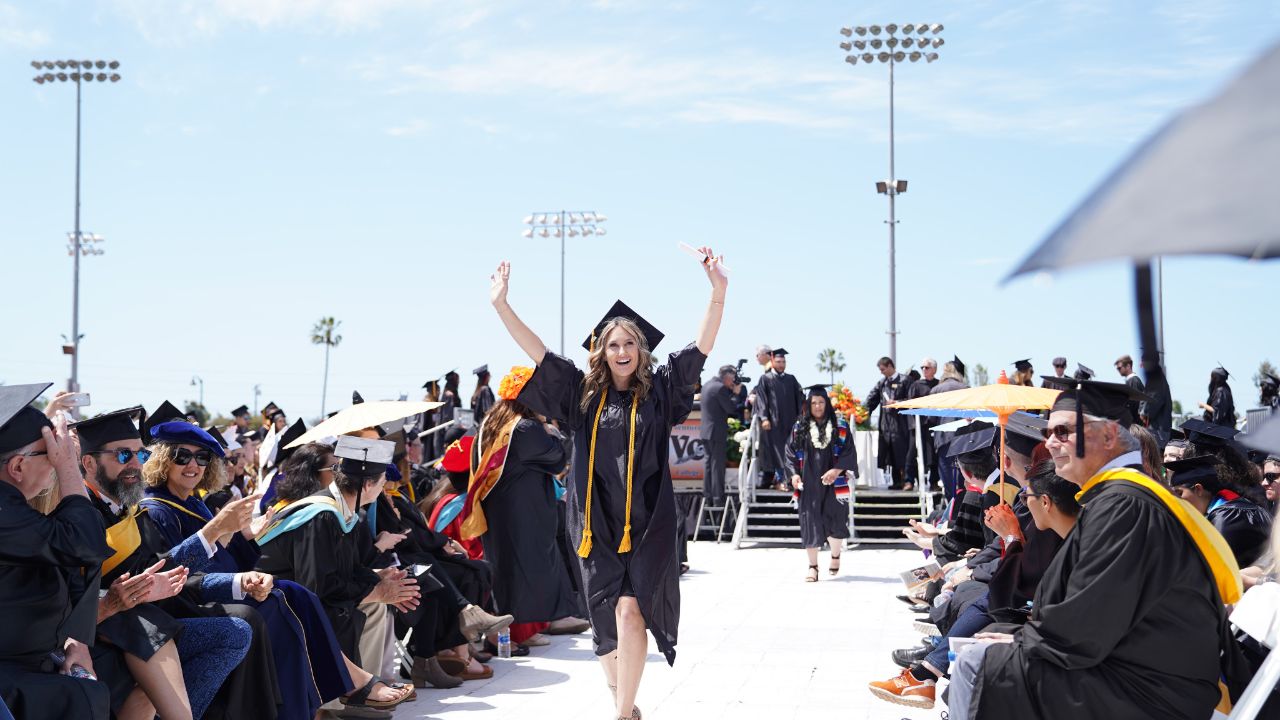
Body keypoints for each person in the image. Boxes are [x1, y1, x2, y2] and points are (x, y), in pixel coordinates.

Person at [490, 246, 724, 720]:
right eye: (613, 344)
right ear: (602, 350)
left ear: (641, 351)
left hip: (646, 522)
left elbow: (702, 346)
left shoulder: (661, 390)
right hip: (594, 523)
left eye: (629, 345)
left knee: (630, 612)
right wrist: (501, 305)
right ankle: (626, 702)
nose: (622, 352)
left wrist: (717, 289)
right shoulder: (581, 393)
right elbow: (538, 351)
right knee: (604, 627)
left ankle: (621, 715)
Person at [947, 379, 1240, 720]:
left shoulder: (1125, 505)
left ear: (1108, 437)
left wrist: (1021, 643)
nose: (1051, 442)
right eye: (1049, 433)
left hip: (1150, 692)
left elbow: (1085, 626)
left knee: (978, 664)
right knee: (989, 643)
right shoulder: (1119, 497)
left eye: (1063, 431)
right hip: (1139, 671)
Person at [74, 407, 250, 720]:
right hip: (97, 626)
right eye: (123, 454)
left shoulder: (128, 510)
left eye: (140, 456)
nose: (134, 465)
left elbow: (154, 569)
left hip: (140, 620)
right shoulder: (76, 516)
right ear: (89, 462)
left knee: (236, 631)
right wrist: (212, 533)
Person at [0, 384, 117, 720]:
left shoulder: (14, 507)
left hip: (37, 657)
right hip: (10, 672)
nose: (55, 463)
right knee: (81, 696)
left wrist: (76, 640)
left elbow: (66, 566)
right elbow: (83, 543)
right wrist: (68, 466)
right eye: (48, 455)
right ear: (18, 467)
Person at [460, 366, 574, 648]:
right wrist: (553, 432)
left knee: (510, 570)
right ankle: (515, 633)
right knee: (524, 572)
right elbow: (559, 459)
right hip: (523, 513)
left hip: (503, 510)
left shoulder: (494, 423)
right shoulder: (525, 428)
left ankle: (518, 631)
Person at [785, 384, 857, 582]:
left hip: (834, 483)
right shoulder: (800, 427)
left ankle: (835, 555)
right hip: (809, 483)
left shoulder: (840, 426)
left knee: (836, 521)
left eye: (821, 402)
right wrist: (794, 475)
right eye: (814, 402)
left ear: (827, 404)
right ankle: (813, 567)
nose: (817, 406)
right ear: (809, 404)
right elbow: (790, 454)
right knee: (810, 523)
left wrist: (836, 470)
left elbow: (849, 452)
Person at [1166, 454, 1271, 567]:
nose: (1175, 499)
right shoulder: (1230, 508)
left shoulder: (1230, 516)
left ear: (1198, 489)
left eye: (1179, 493)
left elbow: (1210, 566)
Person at [758, 349, 803, 492]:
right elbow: (761, 400)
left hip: (790, 423)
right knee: (777, 453)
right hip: (774, 424)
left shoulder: (791, 379)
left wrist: (800, 419)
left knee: (791, 452)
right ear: (772, 362)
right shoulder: (766, 379)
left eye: (783, 362)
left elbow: (799, 400)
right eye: (778, 362)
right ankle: (780, 481)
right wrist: (764, 418)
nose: (781, 364)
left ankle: (790, 481)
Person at [698, 365, 743, 507]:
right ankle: (718, 499)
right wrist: (735, 394)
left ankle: (708, 495)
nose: (733, 383)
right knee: (717, 466)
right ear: (727, 377)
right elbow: (731, 408)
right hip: (716, 432)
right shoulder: (720, 388)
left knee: (708, 465)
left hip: (705, 431)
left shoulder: (707, 385)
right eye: (732, 379)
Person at [865, 357, 912, 490]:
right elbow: (871, 401)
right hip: (886, 426)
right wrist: (860, 412)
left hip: (901, 424)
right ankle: (896, 481)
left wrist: (898, 403)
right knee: (890, 454)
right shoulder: (882, 383)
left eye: (883, 369)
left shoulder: (905, 381)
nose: (881, 372)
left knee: (902, 453)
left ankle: (907, 481)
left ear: (890, 366)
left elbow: (912, 399)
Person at [905, 358, 940, 489]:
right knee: (912, 452)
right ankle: (909, 480)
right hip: (918, 424)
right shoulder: (916, 385)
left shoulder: (938, 385)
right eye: (922, 367)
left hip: (934, 424)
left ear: (934, 369)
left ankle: (934, 481)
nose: (924, 370)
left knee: (933, 453)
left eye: (927, 367)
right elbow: (910, 405)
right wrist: (914, 424)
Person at [1113, 354, 1147, 425]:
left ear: (1128, 366)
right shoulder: (1132, 381)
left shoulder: (1133, 381)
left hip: (1135, 426)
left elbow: (1134, 406)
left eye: (1119, 368)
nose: (1118, 370)